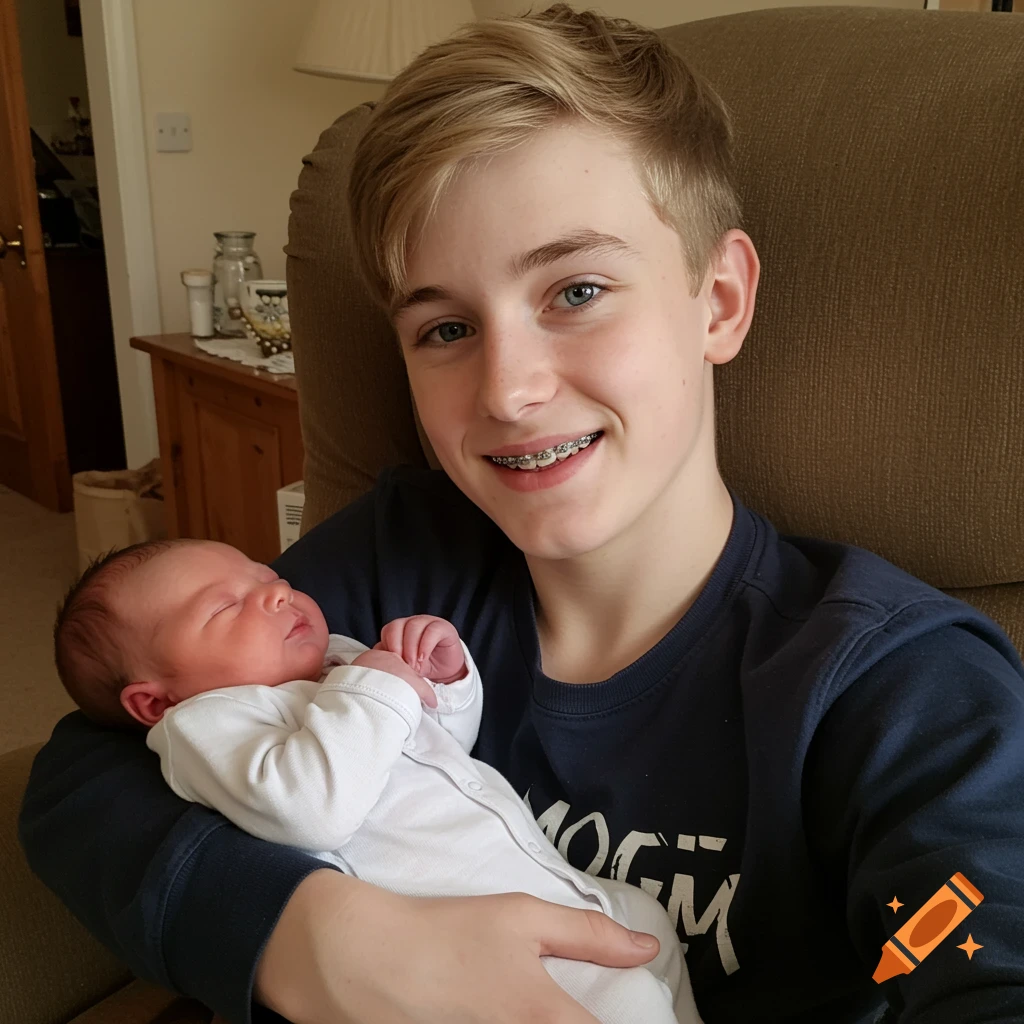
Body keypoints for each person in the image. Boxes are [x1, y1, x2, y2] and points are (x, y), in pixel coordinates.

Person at [19, 4, 1024, 1023]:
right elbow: (86, 769)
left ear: (716, 301)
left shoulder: (889, 682)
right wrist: (311, 936)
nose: (506, 389)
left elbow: (973, 948)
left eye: (576, 289)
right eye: (447, 326)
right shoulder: (394, 565)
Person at [51, 537, 700, 1024]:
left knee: (648, 926)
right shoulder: (209, 724)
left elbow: (436, 751)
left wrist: (439, 682)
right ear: (153, 703)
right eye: (225, 606)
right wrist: (379, 685)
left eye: (266, 575)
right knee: (628, 997)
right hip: (459, 933)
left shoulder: (333, 662)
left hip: (543, 887)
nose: (276, 592)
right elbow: (311, 809)